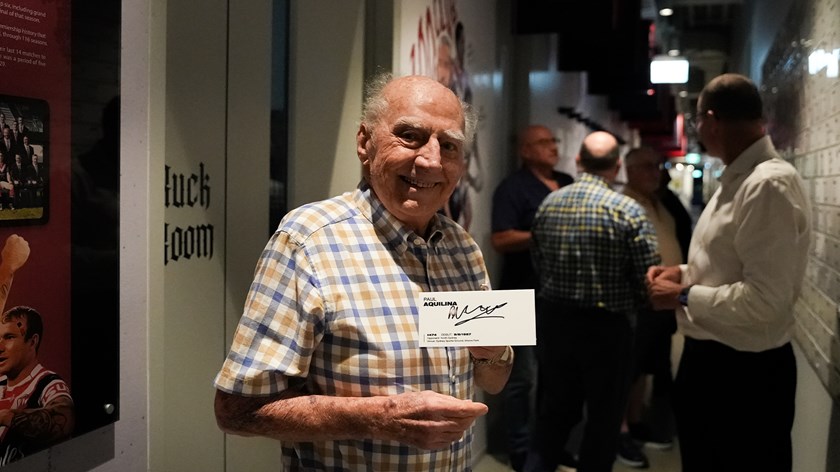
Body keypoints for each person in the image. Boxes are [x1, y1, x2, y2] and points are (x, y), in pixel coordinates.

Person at [213, 74, 513, 470]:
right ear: (364, 143)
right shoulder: (308, 241)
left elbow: (494, 380)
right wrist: (380, 419)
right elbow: (236, 410)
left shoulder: (462, 249)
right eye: (410, 136)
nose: (431, 160)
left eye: (449, 145)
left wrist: (492, 354)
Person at [647, 73, 811, 472]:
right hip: (714, 363)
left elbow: (766, 301)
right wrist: (682, 271)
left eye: (698, 121)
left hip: (744, 377)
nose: (699, 130)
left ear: (712, 120)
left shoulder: (766, 185)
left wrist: (682, 295)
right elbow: (729, 261)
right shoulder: (737, 177)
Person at [531, 131, 660, 472]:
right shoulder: (628, 210)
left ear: (577, 161)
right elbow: (649, 276)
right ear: (617, 166)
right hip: (608, 329)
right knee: (603, 421)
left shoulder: (550, 203)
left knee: (552, 415)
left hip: (554, 321)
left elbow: (538, 262)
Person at [490, 124, 573, 471]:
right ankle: (521, 450)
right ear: (525, 151)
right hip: (521, 295)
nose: (552, 147)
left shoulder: (568, 183)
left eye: (553, 140)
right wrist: (544, 231)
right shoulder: (513, 188)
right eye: (543, 142)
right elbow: (501, 238)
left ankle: (549, 446)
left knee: (557, 376)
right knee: (520, 377)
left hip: (563, 295)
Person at [618, 147, 692, 468]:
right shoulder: (625, 204)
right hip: (640, 301)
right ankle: (620, 431)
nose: (655, 172)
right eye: (648, 166)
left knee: (647, 368)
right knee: (628, 368)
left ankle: (635, 423)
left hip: (661, 302)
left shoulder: (657, 201)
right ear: (629, 170)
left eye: (658, 166)